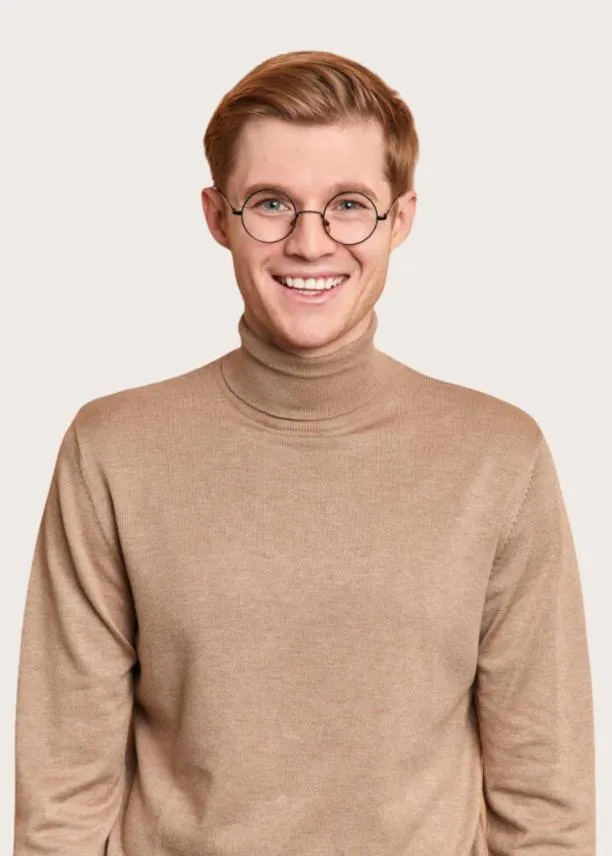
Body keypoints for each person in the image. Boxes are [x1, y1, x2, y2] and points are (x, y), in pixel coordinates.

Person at [13, 50, 595, 856]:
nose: (310, 243)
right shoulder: (113, 450)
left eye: (350, 205)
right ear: (218, 217)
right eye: (272, 204)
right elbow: (63, 796)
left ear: (401, 218)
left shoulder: (500, 456)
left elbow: (545, 801)